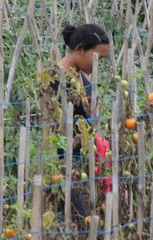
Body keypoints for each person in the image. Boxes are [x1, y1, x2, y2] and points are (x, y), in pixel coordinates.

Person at [39, 23, 112, 222]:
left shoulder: (82, 79)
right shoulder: (52, 78)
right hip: (62, 163)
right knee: (77, 218)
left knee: (87, 217)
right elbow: (49, 126)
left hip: (84, 163)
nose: (99, 64)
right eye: (97, 57)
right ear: (79, 49)